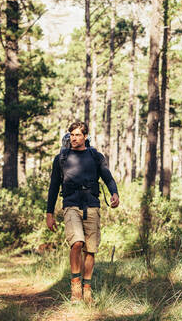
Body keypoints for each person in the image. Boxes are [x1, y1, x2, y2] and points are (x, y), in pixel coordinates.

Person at [46, 121, 120, 304]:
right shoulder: (61, 158)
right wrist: (49, 213)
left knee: (91, 250)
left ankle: (87, 289)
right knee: (77, 243)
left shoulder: (95, 156)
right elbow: (54, 186)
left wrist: (115, 193)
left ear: (85, 137)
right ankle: (75, 287)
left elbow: (107, 177)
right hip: (71, 204)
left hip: (92, 205)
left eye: (78, 135)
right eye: (71, 135)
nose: (74, 138)